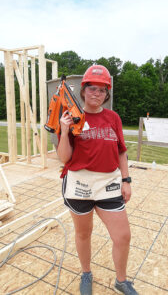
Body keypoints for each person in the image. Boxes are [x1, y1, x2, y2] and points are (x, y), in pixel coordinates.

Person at [57, 65, 139, 295]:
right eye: (92, 88)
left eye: (102, 90)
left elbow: (121, 151)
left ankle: (121, 281)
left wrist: (126, 180)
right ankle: (86, 273)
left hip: (108, 183)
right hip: (79, 183)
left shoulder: (113, 118)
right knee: (84, 233)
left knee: (122, 236)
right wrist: (64, 131)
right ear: (83, 91)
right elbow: (64, 158)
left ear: (107, 94)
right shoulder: (71, 117)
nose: (97, 94)